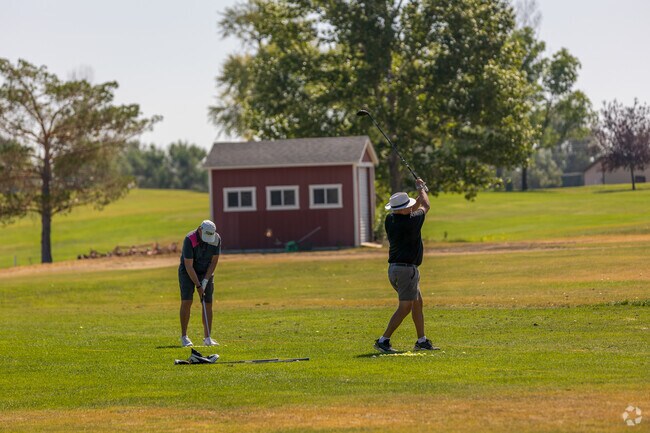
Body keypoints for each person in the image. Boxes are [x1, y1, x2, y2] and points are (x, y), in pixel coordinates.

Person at [374, 178, 440, 353]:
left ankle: (422, 340)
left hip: (395, 269)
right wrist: (420, 189)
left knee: (417, 303)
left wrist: (420, 192)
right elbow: (425, 205)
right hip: (405, 271)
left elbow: (412, 207)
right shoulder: (411, 221)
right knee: (406, 307)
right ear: (403, 209)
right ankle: (383, 340)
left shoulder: (390, 219)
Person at [179, 220, 221, 347]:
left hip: (206, 271)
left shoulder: (216, 239)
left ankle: (207, 338)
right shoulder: (190, 239)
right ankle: (184, 337)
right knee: (187, 301)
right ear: (199, 229)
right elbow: (188, 265)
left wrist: (206, 280)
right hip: (188, 272)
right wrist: (198, 285)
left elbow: (214, 262)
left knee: (207, 303)